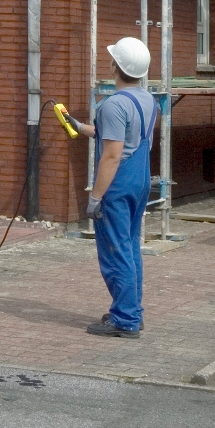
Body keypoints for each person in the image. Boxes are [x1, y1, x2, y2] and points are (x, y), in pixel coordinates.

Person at [61, 36, 157, 338]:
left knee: (115, 251)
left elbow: (112, 155)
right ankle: (132, 311)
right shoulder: (148, 99)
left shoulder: (112, 105)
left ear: (114, 65)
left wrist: (95, 196)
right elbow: (125, 139)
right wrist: (81, 127)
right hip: (140, 179)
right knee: (129, 246)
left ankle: (124, 320)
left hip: (117, 185)